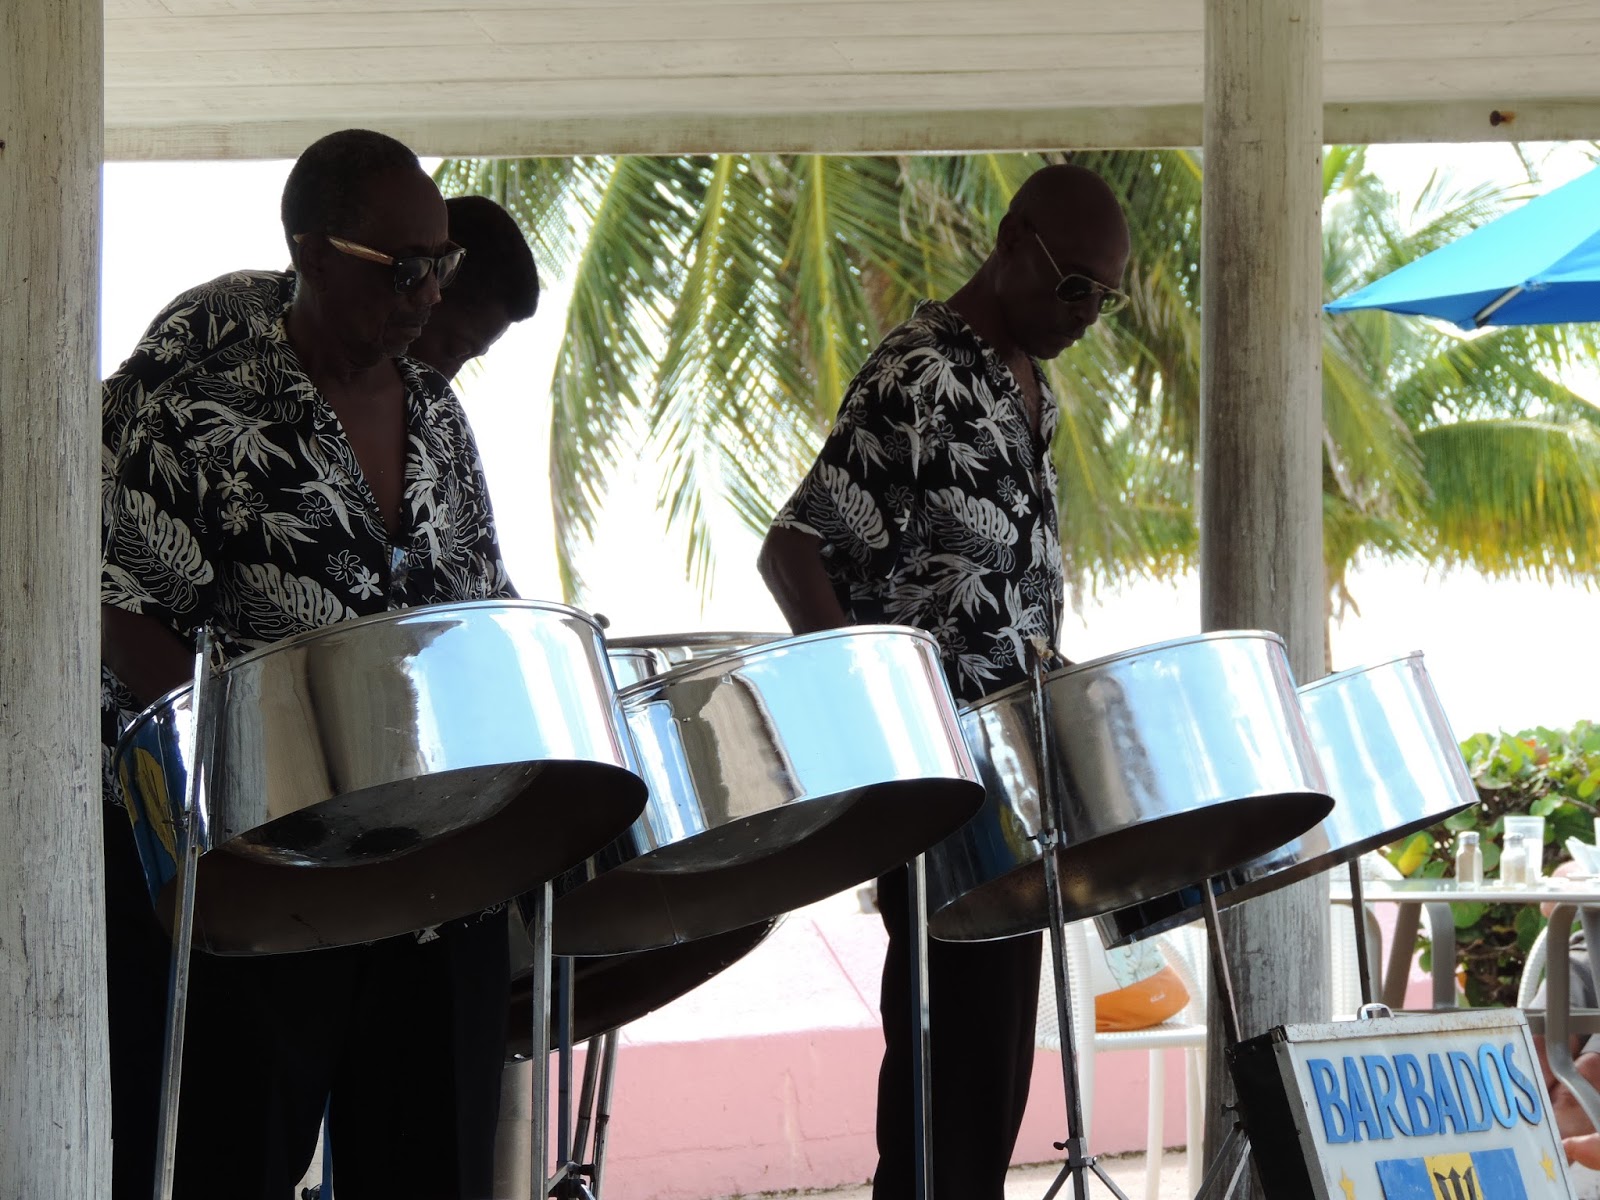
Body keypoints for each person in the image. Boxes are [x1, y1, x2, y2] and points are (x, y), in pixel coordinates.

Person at [101, 129, 524, 1200]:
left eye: (443, 264)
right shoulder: (194, 407)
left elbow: (480, 613)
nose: (429, 294)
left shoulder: (438, 417)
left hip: (429, 875)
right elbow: (121, 618)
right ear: (312, 251)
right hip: (259, 874)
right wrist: (269, 767)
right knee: (224, 1168)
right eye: (404, 267)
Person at [757, 164, 1131, 1200]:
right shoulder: (920, 375)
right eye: (1073, 289)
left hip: (1014, 780)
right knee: (941, 1096)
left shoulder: (1025, 388)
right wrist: (884, 738)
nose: (1087, 315)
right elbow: (794, 552)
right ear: (1011, 242)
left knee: (987, 1080)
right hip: (938, 784)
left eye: (1104, 298)